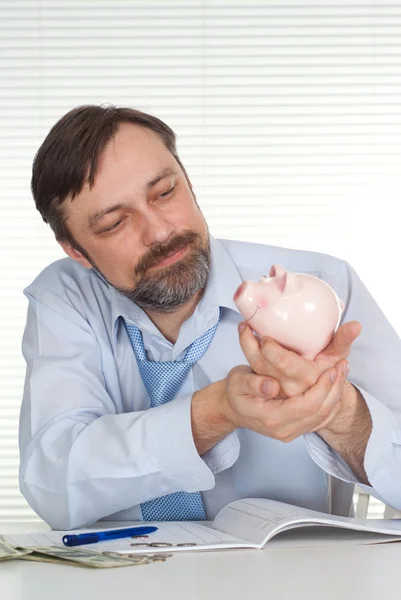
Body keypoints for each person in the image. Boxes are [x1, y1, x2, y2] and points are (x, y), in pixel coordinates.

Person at [19, 105, 401, 530]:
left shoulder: (319, 288)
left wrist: (339, 412)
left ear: (189, 181)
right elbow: (52, 484)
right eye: (114, 223)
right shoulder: (65, 300)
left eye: (165, 193)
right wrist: (212, 414)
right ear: (76, 251)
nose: (160, 231)